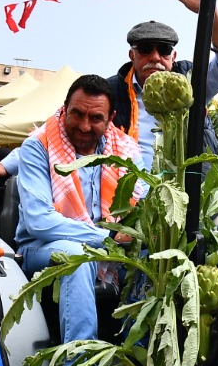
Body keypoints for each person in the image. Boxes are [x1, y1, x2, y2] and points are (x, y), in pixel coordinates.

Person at [0, 0, 218, 182]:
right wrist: (6, 165)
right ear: (132, 55)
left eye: (163, 49)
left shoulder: (191, 84)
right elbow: (57, 130)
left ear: (173, 56)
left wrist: (210, 10)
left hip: (191, 196)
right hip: (129, 198)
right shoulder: (111, 92)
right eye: (144, 49)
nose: (154, 57)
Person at [16, 74, 141, 343]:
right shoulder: (38, 146)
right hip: (39, 248)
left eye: (95, 118)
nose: (84, 126)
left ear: (110, 118)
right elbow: (39, 221)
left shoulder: (127, 151)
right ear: (65, 108)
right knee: (77, 256)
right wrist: (107, 239)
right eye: (77, 114)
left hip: (113, 249)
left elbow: (140, 207)